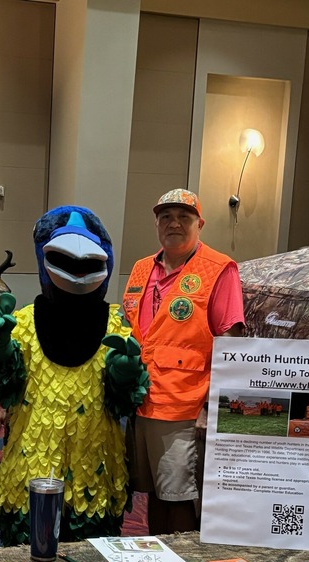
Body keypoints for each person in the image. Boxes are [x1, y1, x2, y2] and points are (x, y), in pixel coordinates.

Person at [0, 205, 149, 546]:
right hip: (29, 469)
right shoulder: (21, 322)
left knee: (92, 561)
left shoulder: (118, 326)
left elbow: (126, 402)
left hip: (95, 471)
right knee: (29, 557)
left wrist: (125, 376)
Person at [123, 188, 245, 535]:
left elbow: (230, 345)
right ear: (157, 223)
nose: (173, 223)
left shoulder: (220, 269)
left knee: (178, 497)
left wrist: (212, 407)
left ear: (200, 223)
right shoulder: (141, 269)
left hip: (185, 409)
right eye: (165, 216)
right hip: (142, 404)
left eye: (184, 217)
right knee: (154, 495)